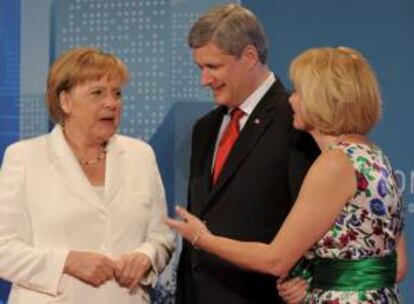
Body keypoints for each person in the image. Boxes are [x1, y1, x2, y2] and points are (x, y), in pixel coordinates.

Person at [167, 46, 407, 303]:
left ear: (322, 99)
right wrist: (322, 278)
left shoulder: (334, 164)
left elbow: (275, 260)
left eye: (299, 93)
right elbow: (398, 265)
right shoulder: (374, 154)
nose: (291, 100)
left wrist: (202, 238)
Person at [0, 47, 175, 304]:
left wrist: (147, 256)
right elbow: (3, 249)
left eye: (117, 93)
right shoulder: (25, 158)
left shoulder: (141, 155)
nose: (112, 103)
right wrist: (66, 262)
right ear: (65, 101)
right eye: (97, 93)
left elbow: (162, 237)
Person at [174, 4, 319, 304]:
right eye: (200, 68)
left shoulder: (297, 119)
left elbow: (320, 220)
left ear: (250, 56)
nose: (204, 79)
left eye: (213, 67)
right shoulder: (205, 128)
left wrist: (311, 277)